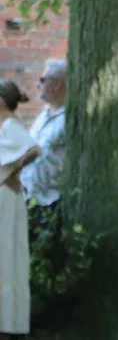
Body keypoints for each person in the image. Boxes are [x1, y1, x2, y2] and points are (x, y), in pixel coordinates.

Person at [0, 80, 41, 340]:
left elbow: (34, 148)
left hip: (6, 203)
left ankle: (7, 325)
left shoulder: (11, 127)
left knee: (6, 263)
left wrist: (12, 171)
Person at [20, 59, 67, 240]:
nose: (37, 84)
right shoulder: (44, 114)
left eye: (42, 80)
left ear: (56, 85)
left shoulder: (69, 119)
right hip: (28, 199)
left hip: (49, 203)